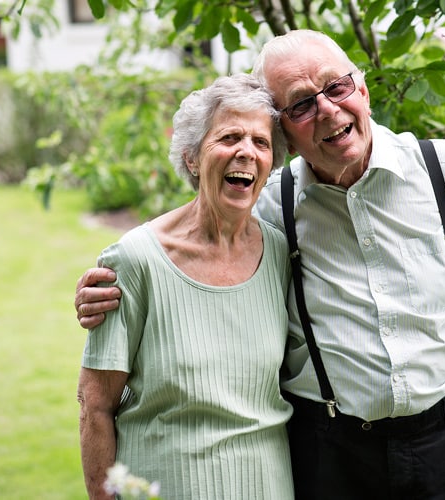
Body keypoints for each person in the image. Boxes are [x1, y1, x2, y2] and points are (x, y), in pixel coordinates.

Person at [75, 30, 445, 500]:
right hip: (334, 456)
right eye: (302, 104)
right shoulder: (270, 206)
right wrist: (114, 281)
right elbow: (199, 239)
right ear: (285, 127)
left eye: (336, 87)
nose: (328, 110)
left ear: (363, 89)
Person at [76, 73, 295, 500]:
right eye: (229, 136)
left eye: (261, 142)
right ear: (192, 157)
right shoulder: (135, 260)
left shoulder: (281, 253)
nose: (246, 152)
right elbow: (94, 407)